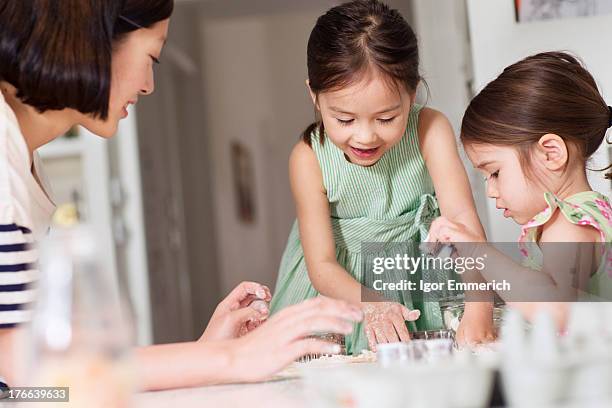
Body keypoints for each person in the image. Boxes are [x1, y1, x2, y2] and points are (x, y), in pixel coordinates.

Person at [0, 0, 362, 390]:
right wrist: (231, 358)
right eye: (152, 58)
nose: (147, 85)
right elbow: (29, 370)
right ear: (94, 40)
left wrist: (207, 352)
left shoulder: (22, 160)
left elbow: (36, 385)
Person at [270, 0, 495, 353]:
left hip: (424, 283)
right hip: (345, 293)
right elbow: (322, 266)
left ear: (412, 93)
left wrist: (479, 306)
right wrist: (371, 303)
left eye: (386, 118)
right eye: (344, 119)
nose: (365, 137)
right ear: (314, 94)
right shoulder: (309, 157)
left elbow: (462, 221)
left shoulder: (430, 129)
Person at [428, 51, 612, 329]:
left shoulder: (569, 224)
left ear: (551, 154)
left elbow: (556, 313)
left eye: (495, 173)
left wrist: (479, 252)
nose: (491, 191)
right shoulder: (584, 213)